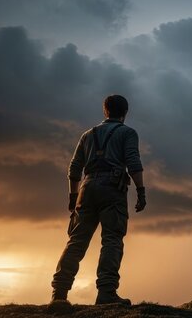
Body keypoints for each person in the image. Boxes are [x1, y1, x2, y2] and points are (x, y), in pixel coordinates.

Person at [50, 95, 146, 306]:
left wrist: (73, 197)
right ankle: (106, 292)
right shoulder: (128, 133)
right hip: (113, 190)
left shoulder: (87, 135)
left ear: (105, 111)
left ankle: (59, 293)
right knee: (111, 240)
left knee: (76, 241)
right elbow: (133, 162)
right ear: (125, 113)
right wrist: (141, 191)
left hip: (86, 188)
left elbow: (74, 168)